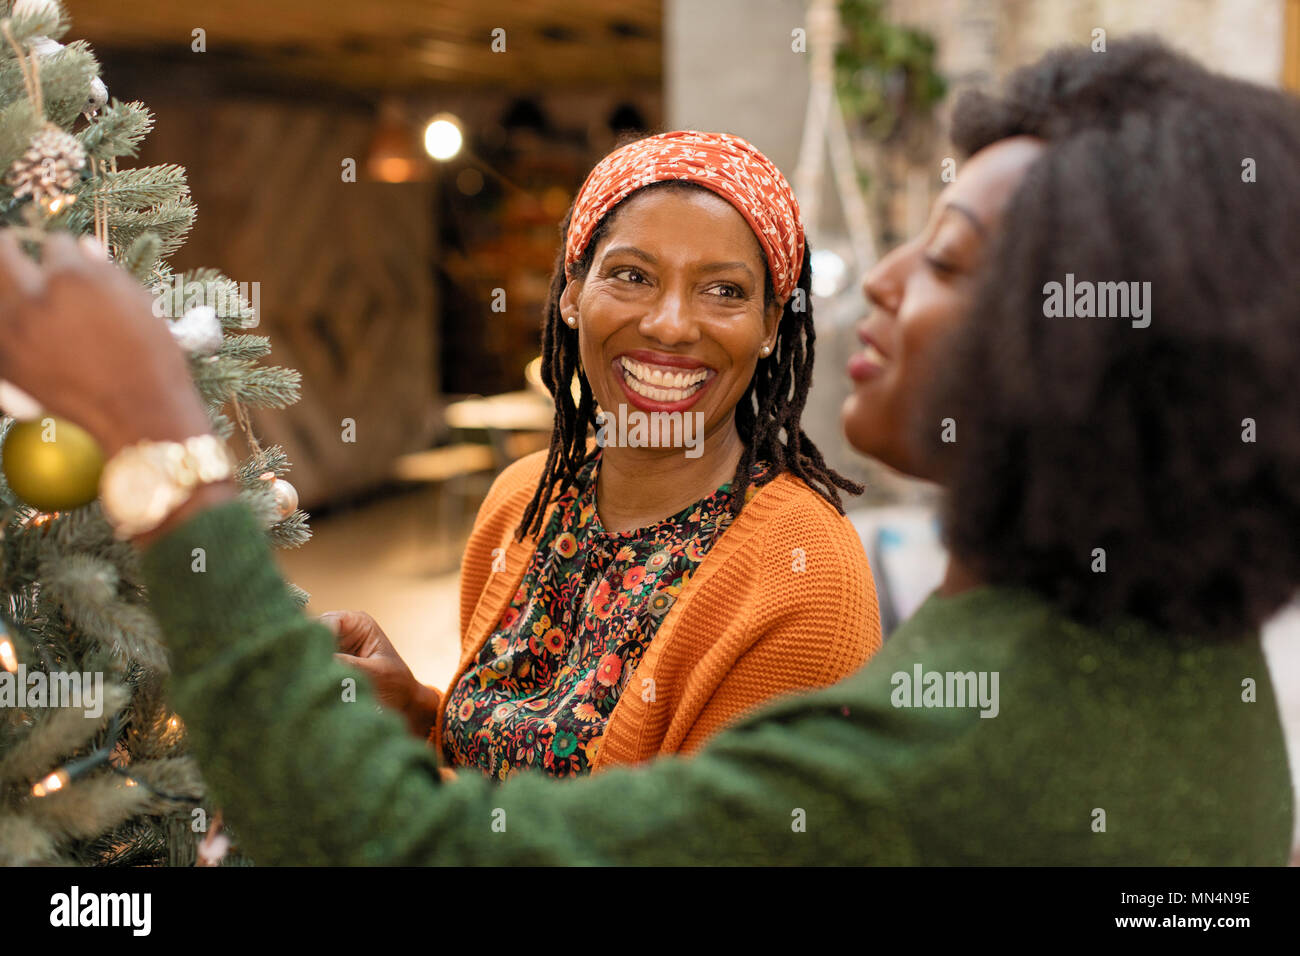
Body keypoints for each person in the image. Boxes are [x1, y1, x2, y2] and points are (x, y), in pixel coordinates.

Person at [0, 38, 1294, 863]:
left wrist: (159, 441)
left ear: (1087, 352)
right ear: (568, 293)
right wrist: (435, 718)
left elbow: (409, 850)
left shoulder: (920, 722)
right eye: (628, 273)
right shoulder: (1155, 625)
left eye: (948, 257)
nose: (885, 280)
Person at [327, 130, 880, 780]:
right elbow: (493, 782)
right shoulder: (522, 501)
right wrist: (420, 715)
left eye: (724, 291)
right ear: (570, 295)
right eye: (631, 276)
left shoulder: (806, 575)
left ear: (769, 325)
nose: (671, 324)